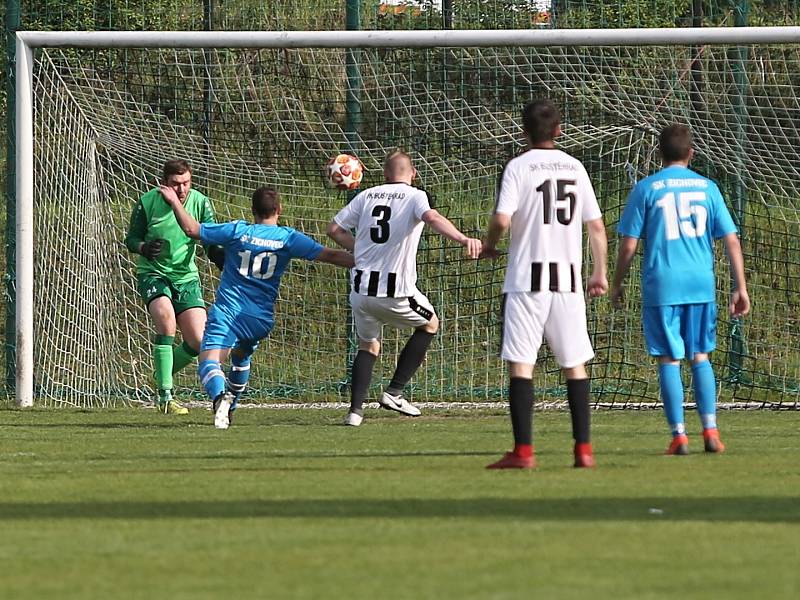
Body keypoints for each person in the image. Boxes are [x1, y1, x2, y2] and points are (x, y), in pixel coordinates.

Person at [480, 99, 608, 469]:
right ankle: (583, 450)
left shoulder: (518, 167)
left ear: (523, 130)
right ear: (559, 130)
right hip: (567, 282)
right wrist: (598, 271)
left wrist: (489, 245)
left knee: (522, 364)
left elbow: (502, 220)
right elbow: (596, 226)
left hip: (526, 279)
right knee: (575, 364)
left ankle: (523, 452)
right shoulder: (575, 166)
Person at [162, 185, 354, 429]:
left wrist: (174, 201)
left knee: (209, 360)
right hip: (260, 319)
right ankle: (230, 407)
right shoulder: (288, 238)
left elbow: (192, 229)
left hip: (229, 311)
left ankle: (220, 397)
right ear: (279, 210)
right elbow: (332, 255)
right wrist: (371, 261)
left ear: (252, 209)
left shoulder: (237, 231)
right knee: (241, 355)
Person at [610, 124, 750, 455]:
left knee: (669, 359)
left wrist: (617, 282)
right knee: (700, 355)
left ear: (659, 153)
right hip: (700, 284)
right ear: (691, 153)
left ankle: (678, 436)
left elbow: (629, 244)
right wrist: (739, 286)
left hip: (663, 285)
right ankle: (711, 431)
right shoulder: (708, 187)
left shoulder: (647, 188)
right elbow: (731, 239)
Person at [326, 151, 482, 426]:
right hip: (395, 291)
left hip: (361, 292)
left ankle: (354, 413)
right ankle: (394, 392)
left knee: (368, 346)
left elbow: (334, 229)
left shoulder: (366, 195)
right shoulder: (415, 195)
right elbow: (432, 218)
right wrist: (462, 238)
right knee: (431, 323)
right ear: (413, 174)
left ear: (385, 175)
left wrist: (361, 251)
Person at [124, 159, 224, 414]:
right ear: (164, 183)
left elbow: (209, 236)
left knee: (199, 340)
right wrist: (144, 248)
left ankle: (161, 372)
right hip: (153, 273)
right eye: (176, 184)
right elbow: (131, 238)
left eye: (186, 183)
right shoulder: (148, 202)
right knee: (166, 321)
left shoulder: (200, 202)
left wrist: (219, 256)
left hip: (186, 277)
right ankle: (165, 397)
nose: (181, 189)